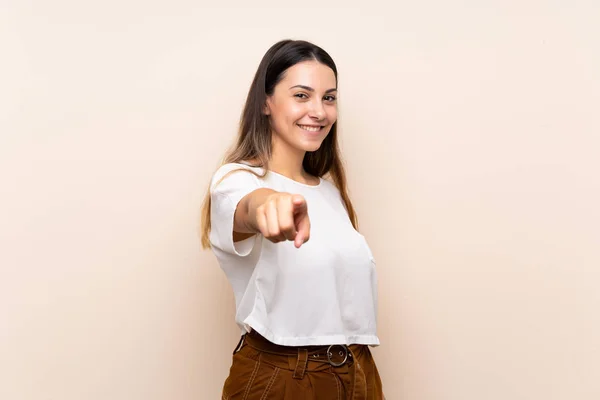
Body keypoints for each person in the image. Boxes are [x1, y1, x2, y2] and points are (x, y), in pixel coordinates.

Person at [200, 39, 384, 399]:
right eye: (302, 95)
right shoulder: (236, 180)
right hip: (285, 378)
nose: (318, 111)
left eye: (328, 98)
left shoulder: (330, 192)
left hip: (359, 372)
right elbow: (249, 207)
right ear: (266, 102)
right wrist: (268, 206)